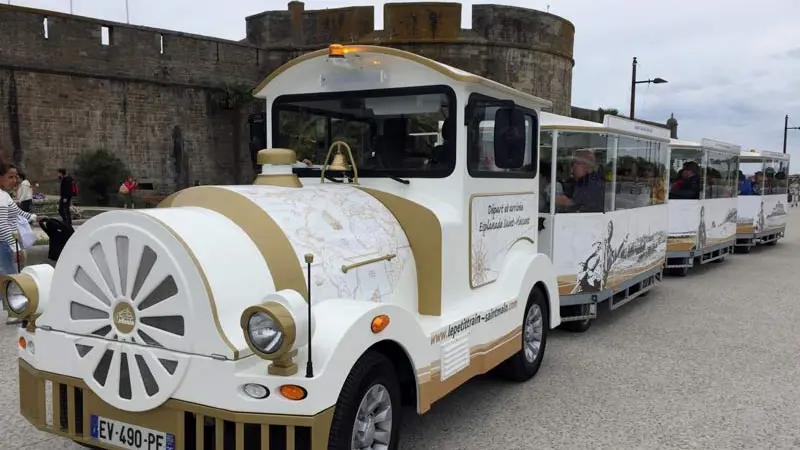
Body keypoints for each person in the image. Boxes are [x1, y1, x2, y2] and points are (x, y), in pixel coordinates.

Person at [0, 162, 36, 325]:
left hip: (5, 244)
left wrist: (34, 218)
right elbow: (2, 224)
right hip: (4, 244)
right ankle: (13, 312)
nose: (15, 180)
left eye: (15, 176)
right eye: (10, 177)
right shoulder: (1, 197)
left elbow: (17, 212)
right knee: (11, 279)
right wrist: (14, 247)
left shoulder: (4, 195)